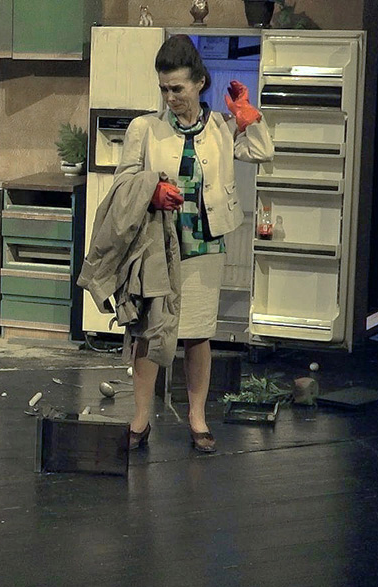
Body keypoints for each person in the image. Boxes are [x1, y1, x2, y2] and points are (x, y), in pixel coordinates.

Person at [116, 34, 273, 453]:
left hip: (204, 242)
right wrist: (150, 191)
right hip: (156, 243)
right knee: (150, 332)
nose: (170, 98)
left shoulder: (220, 128)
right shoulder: (145, 129)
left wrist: (249, 116)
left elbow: (262, 151)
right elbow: (123, 183)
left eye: (177, 88)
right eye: (164, 89)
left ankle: (197, 417)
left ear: (199, 82)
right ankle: (140, 418)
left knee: (198, 334)